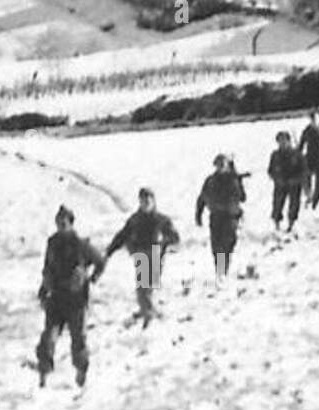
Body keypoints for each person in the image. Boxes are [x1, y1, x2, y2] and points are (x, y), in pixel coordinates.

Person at [37, 205, 105, 388]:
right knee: (48, 338)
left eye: (64, 222)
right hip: (56, 298)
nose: (61, 226)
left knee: (78, 339)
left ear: (71, 223)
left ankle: (82, 371)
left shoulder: (81, 244)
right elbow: (47, 268)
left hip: (76, 300)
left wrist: (92, 278)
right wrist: (43, 290)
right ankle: (43, 373)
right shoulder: (52, 243)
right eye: (58, 223)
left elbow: (100, 261)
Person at [106, 187, 180, 326]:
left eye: (148, 200)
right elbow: (122, 235)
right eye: (143, 201)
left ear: (153, 202)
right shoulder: (135, 220)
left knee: (150, 286)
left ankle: (147, 310)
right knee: (143, 287)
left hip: (156, 255)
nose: (145, 203)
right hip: (141, 254)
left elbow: (175, 238)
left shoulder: (161, 220)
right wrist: (110, 250)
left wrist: (165, 243)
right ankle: (148, 313)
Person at [195, 153, 246, 280]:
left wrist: (238, 181)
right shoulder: (210, 181)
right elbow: (202, 197)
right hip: (216, 216)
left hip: (230, 217)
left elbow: (243, 198)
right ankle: (220, 270)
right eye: (218, 165)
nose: (220, 167)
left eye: (223, 164)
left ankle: (223, 271)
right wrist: (198, 214)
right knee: (216, 245)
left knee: (226, 244)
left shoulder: (233, 180)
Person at [267, 130, 306, 232]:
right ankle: (277, 225)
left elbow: (303, 170)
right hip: (280, 184)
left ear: (289, 141)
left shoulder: (296, 154)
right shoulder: (275, 155)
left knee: (294, 205)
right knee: (277, 204)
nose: (282, 143)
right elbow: (270, 170)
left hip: (294, 184)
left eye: (284, 141)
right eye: (280, 141)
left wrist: (296, 180)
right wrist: (277, 178)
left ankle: (291, 224)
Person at [299, 111, 319, 208]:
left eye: (315, 118)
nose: (313, 120)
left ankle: (316, 201)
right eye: (312, 118)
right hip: (310, 159)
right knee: (305, 177)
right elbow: (301, 145)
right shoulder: (307, 130)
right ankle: (309, 196)